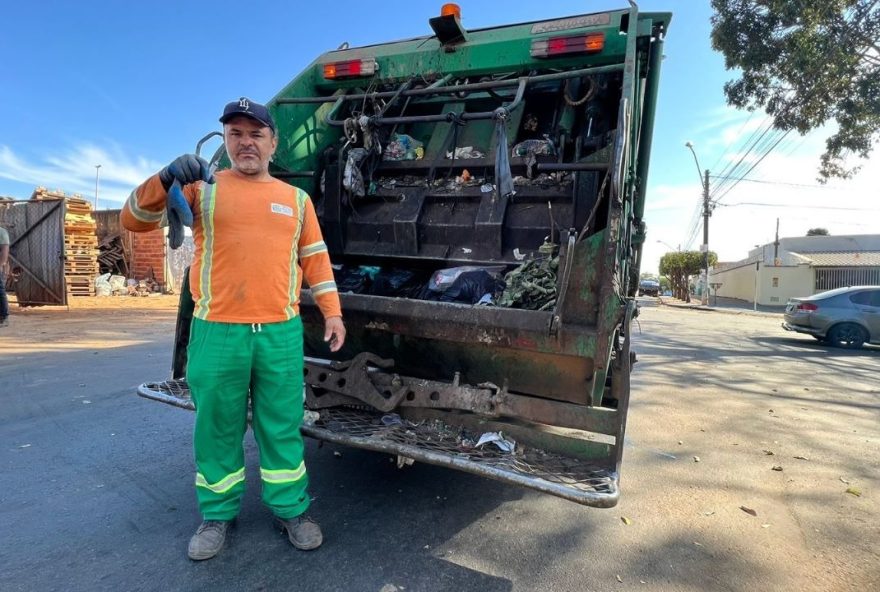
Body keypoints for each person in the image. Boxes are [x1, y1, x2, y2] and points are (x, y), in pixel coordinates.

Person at [121, 97, 345, 561]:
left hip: (279, 334)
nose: (246, 143)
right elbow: (133, 220)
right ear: (225, 140)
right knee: (217, 428)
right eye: (236, 134)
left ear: (272, 143)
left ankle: (291, 508)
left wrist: (333, 312)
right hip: (217, 331)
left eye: (255, 134)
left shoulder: (296, 200)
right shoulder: (201, 189)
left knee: (282, 425)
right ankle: (217, 515)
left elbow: (316, 261)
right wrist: (165, 179)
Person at [0, 222, 9, 327]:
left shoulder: (2, 232)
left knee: (0, 290)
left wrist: (1, 264)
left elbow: (5, 250)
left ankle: (4, 317)